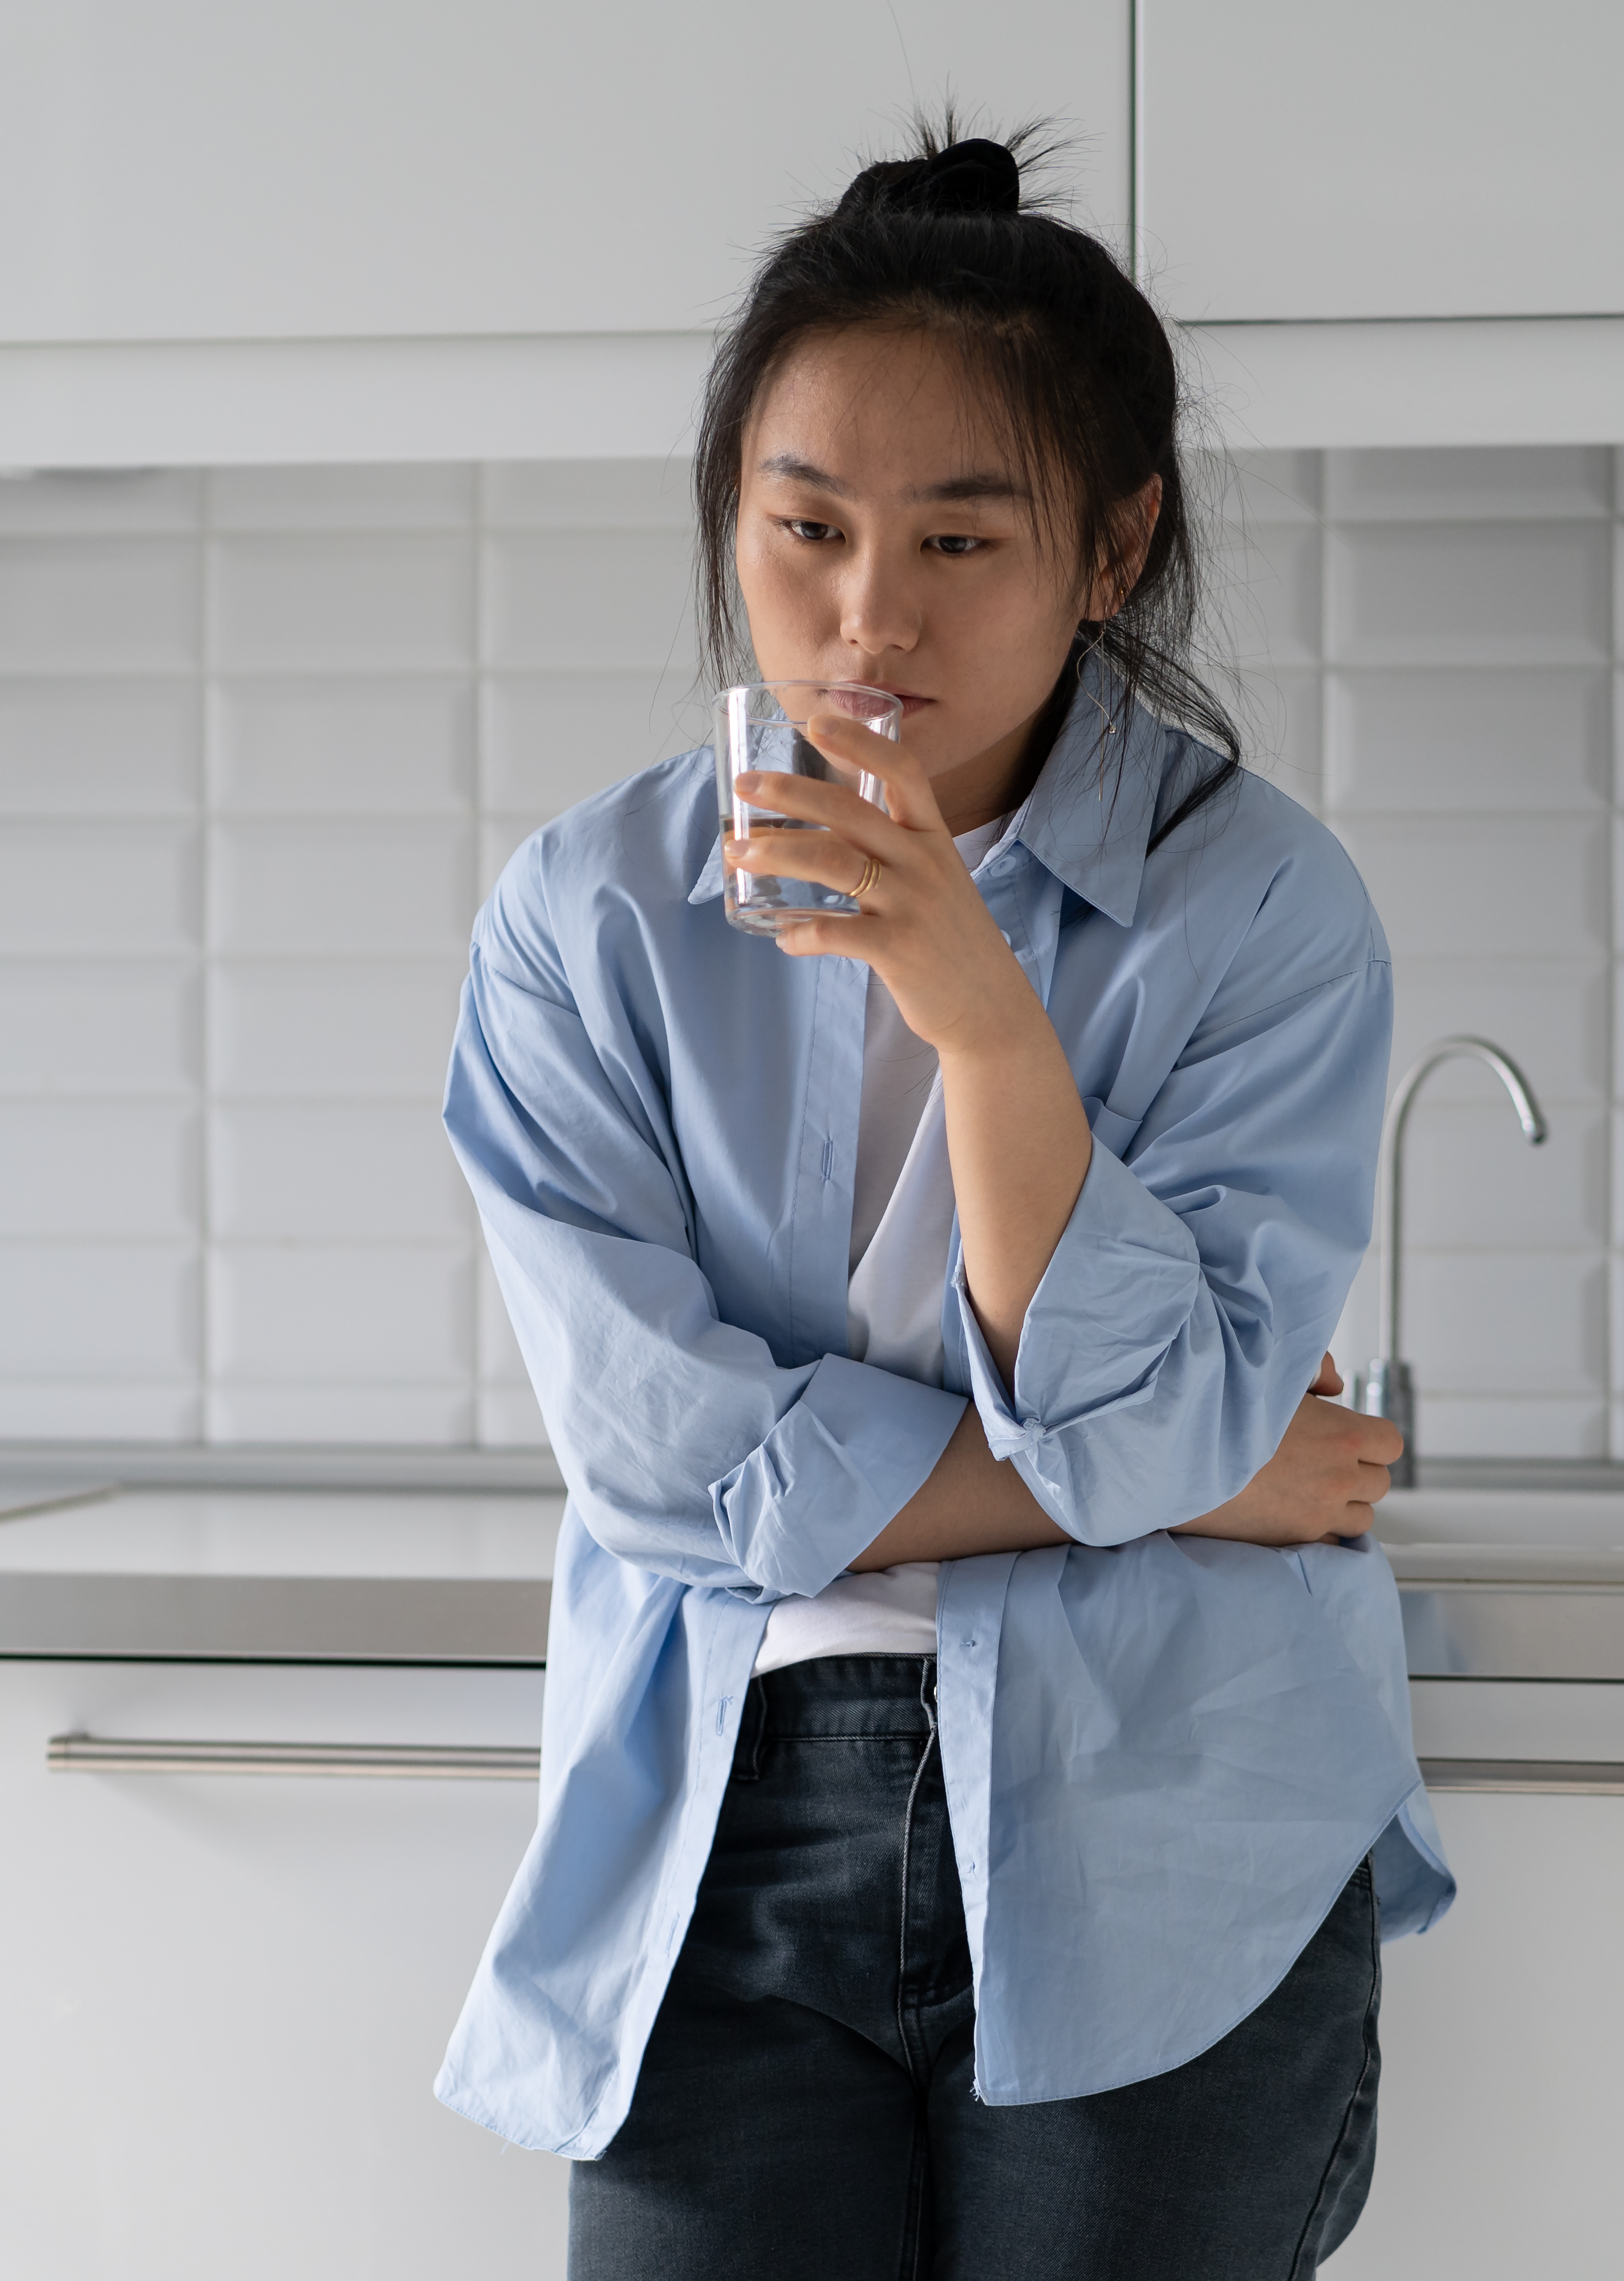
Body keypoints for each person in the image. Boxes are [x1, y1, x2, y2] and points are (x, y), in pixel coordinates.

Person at [435, 124, 1452, 2280]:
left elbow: (1145, 1422)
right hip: (721, 1830)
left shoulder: (1262, 911)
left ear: (1112, 546)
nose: (867, 616)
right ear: (735, 522)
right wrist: (1188, 1478)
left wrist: (989, 1028)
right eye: (804, 528)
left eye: (960, 541)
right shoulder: (587, 920)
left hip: (1163, 1817)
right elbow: (666, 1470)